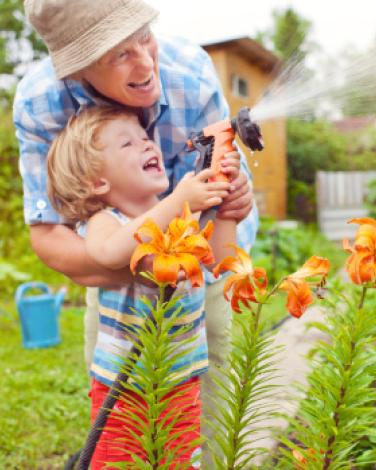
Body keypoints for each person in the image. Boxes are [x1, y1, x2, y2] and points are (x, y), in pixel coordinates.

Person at [13, 0, 259, 464]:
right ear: (78, 68)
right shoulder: (43, 106)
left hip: (185, 366)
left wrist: (230, 205)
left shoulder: (191, 75)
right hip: (124, 359)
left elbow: (218, 258)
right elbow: (83, 243)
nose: (147, 65)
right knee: (121, 451)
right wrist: (164, 227)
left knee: (202, 445)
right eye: (117, 54)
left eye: (145, 36)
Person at [46, 104, 238, 469]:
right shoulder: (106, 220)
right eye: (128, 144)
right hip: (126, 387)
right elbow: (108, 252)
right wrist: (180, 201)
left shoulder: (182, 216)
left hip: (181, 381)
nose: (148, 145)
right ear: (99, 182)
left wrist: (225, 206)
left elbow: (218, 258)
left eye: (146, 137)